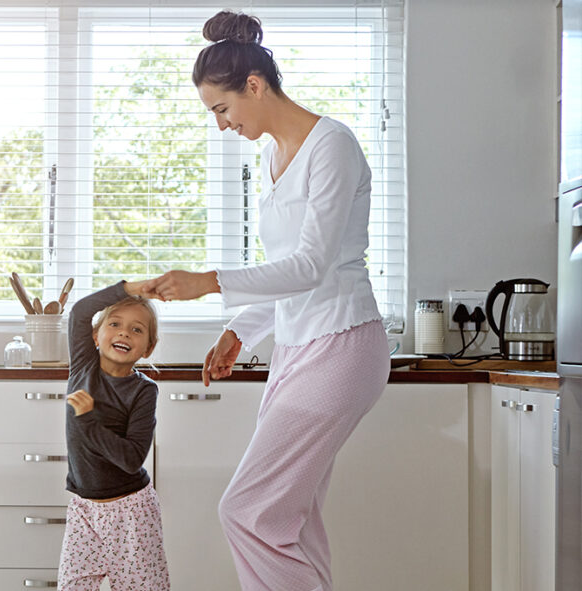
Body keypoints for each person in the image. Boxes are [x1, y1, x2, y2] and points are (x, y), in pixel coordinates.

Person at [139, 10, 391, 591]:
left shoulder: (333, 145)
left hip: (343, 344)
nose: (222, 126)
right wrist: (239, 332)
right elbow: (283, 274)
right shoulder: (271, 158)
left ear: (254, 85)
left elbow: (311, 266)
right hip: (299, 348)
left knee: (248, 511)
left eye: (222, 109)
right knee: (288, 518)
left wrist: (207, 282)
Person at [57, 280, 170, 591]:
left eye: (136, 330)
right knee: (73, 586)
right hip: (84, 506)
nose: (123, 333)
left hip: (130, 511)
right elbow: (80, 311)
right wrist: (130, 288)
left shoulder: (143, 391)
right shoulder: (83, 366)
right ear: (96, 335)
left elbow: (132, 459)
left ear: (148, 347)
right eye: (115, 324)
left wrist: (90, 422)